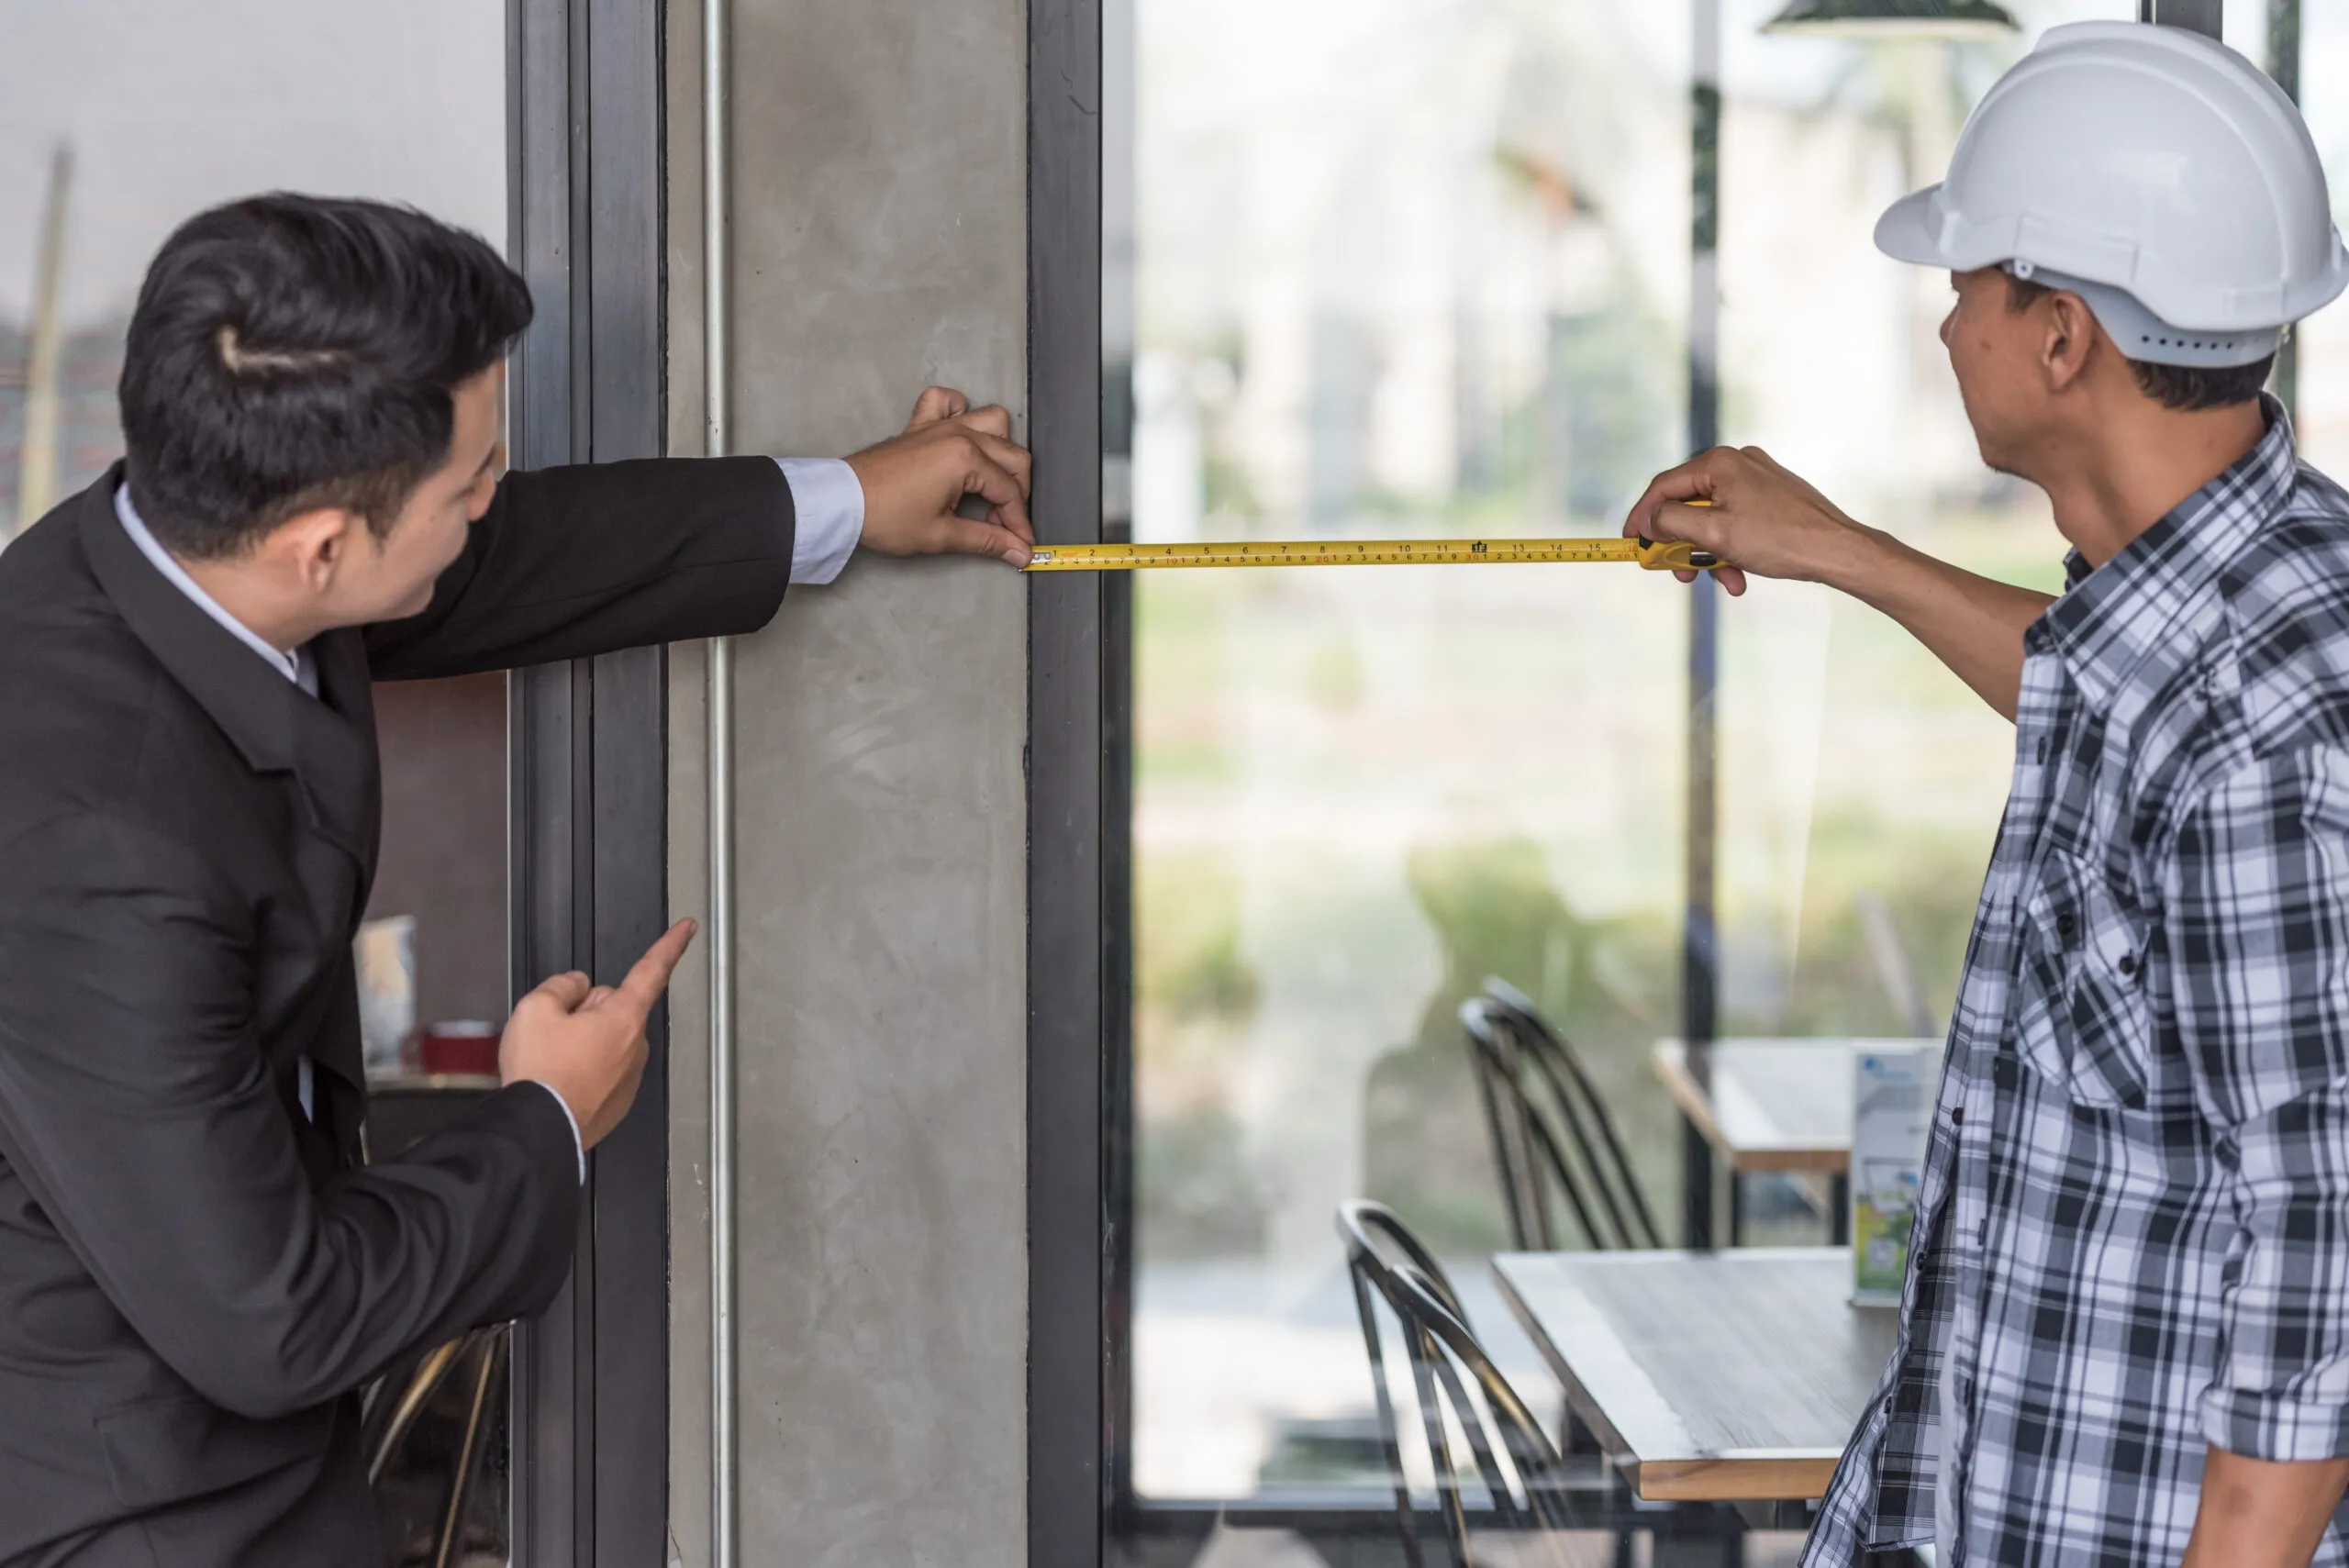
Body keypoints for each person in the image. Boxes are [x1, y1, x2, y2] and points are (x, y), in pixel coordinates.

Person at [0, 194, 1034, 1564]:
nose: (494, 493)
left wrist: (839, 498)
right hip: (139, 1494)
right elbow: (272, 1320)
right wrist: (549, 1116)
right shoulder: (96, 849)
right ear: (323, 543)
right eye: (471, 479)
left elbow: (489, 562)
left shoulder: (166, 546)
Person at [1624, 23, 2349, 1568]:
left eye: (1965, 287)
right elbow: (2108, 690)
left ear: (2062, 336)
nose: (1947, 326)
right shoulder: (2243, 600)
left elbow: (2324, 1277)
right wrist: (1844, 550)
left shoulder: (2268, 741)